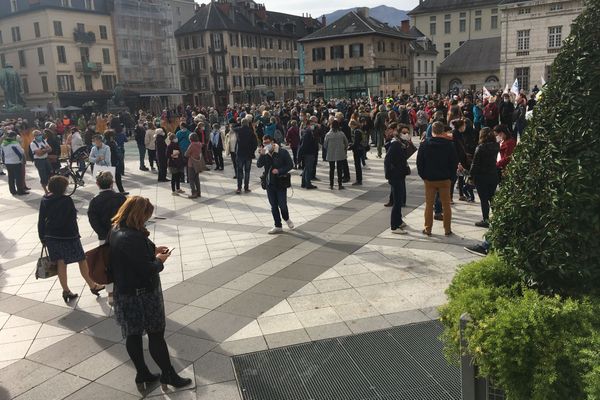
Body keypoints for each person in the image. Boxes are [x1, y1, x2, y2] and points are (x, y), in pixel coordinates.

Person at [109, 196, 192, 390]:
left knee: (133, 334)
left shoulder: (115, 230)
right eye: (146, 216)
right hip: (143, 294)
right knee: (156, 335)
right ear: (139, 215)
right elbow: (147, 269)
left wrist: (154, 249)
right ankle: (168, 375)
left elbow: (131, 257)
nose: (147, 220)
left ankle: (142, 373)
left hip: (124, 292)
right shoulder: (132, 236)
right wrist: (160, 260)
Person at [38, 175, 104, 302]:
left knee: (61, 263)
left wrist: (42, 237)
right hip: (68, 236)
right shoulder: (66, 200)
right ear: (62, 188)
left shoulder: (45, 199)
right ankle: (92, 285)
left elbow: (41, 220)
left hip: (51, 236)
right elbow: (71, 219)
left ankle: (66, 290)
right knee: (81, 260)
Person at [416, 121, 458, 236]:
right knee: (446, 205)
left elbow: (419, 162)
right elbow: (454, 163)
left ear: (432, 131)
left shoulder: (424, 144)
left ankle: (428, 228)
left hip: (429, 179)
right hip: (445, 179)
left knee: (429, 205)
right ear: (443, 131)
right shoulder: (450, 145)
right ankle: (447, 229)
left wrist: (423, 176)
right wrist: (451, 177)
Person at [257, 135, 295, 234]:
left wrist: (279, 170)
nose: (266, 145)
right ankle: (278, 225)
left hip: (280, 182)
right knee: (273, 206)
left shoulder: (282, 152)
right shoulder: (265, 153)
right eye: (264, 143)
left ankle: (286, 219)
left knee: (282, 205)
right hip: (270, 183)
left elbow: (290, 165)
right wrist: (261, 154)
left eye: (268, 143)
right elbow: (259, 165)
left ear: (273, 142)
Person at [470, 127, 500, 228]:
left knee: (484, 199)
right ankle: (497, 217)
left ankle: (486, 219)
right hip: (492, 174)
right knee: (492, 197)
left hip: (481, 176)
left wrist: (470, 176)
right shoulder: (496, 146)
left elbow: (475, 164)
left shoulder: (480, 148)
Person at [87, 171, 127, 241]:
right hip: (121, 234)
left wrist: (103, 234)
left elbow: (93, 221)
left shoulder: (94, 201)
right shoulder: (121, 198)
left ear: (97, 184)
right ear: (112, 183)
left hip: (104, 237)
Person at [384, 129, 409, 234]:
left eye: (407, 132)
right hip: (395, 176)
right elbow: (387, 160)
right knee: (397, 201)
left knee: (399, 198)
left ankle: (399, 221)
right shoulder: (395, 145)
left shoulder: (400, 144)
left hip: (399, 175)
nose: (406, 134)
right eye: (404, 133)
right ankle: (394, 226)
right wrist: (389, 174)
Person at [323, 119, 349, 190]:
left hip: (331, 154)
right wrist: (344, 149)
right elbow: (346, 143)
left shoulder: (328, 134)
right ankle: (340, 184)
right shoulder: (341, 134)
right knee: (339, 169)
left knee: (331, 169)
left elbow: (325, 145)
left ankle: (331, 184)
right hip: (340, 153)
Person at [234, 118, 258, 194]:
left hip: (240, 153)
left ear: (241, 123)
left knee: (239, 171)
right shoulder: (251, 132)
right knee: (247, 171)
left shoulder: (238, 130)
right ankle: (246, 187)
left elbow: (233, 128)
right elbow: (255, 144)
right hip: (248, 154)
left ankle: (239, 188)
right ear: (248, 124)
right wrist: (252, 151)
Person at [1, 130, 28, 195]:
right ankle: (20, 191)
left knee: (11, 177)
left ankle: (12, 191)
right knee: (18, 177)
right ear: (14, 136)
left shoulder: (3, 143)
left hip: (8, 163)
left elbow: (2, 153)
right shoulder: (15, 143)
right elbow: (21, 152)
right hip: (16, 162)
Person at [104, 130, 128, 195]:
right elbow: (116, 153)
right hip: (114, 162)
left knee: (112, 178)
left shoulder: (106, 143)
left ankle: (112, 191)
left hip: (110, 162)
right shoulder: (111, 144)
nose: (114, 137)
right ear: (110, 136)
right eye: (113, 135)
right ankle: (120, 191)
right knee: (117, 177)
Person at [30, 130, 53, 194]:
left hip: (46, 159)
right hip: (39, 161)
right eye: (37, 135)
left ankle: (50, 188)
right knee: (43, 176)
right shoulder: (33, 144)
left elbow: (50, 149)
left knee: (50, 173)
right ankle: (45, 190)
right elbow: (38, 154)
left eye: (40, 134)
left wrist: (43, 150)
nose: (39, 136)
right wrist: (46, 150)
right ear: (34, 136)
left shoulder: (43, 141)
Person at [298, 119, 318, 190]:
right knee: (308, 169)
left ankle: (304, 183)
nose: (314, 125)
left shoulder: (307, 132)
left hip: (308, 152)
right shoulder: (308, 132)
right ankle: (308, 184)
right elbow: (304, 144)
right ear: (309, 125)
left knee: (306, 168)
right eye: (312, 124)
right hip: (309, 153)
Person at [185, 133, 203, 199]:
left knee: (191, 179)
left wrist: (189, 155)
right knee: (196, 179)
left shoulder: (192, 145)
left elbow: (186, 154)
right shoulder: (199, 144)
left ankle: (193, 193)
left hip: (191, 163)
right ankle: (199, 192)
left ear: (191, 139)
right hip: (197, 163)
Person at [349, 119, 363, 186]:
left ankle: (359, 180)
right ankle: (359, 179)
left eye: (351, 126)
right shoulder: (359, 130)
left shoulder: (356, 131)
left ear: (352, 125)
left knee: (357, 165)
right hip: (360, 149)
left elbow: (356, 143)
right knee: (358, 165)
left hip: (357, 150)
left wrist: (350, 147)